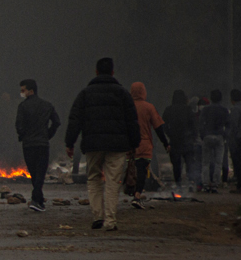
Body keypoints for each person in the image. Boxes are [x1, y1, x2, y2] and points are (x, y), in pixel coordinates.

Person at [64, 58, 140, 232]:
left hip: (93, 143)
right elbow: (132, 120)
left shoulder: (85, 94)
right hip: (118, 145)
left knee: (93, 178)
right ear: (113, 72)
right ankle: (110, 221)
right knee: (113, 182)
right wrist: (134, 143)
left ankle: (97, 216)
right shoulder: (122, 93)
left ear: (96, 72)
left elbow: (75, 119)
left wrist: (70, 143)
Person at [15, 79, 60, 212]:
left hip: (28, 145)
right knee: (40, 172)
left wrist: (23, 136)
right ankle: (38, 201)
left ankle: (36, 200)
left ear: (31, 91)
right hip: (42, 144)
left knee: (34, 173)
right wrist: (48, 135)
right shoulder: (47, 105)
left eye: (23, 90)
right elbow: (56, 122)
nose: (21, 93)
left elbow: (19, 126)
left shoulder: (23, 107)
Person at [128, 82, 169, 209]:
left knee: (130, 169)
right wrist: (165, 143)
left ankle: (131, 190)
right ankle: (137, 195)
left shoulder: (127, 107)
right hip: (144, 145)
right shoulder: (149, 107)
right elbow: (158, 127)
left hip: (129, 145)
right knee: (141, 171)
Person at [162, 90, 195, 188]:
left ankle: (178, 183)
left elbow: (163, 125)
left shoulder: (168, 110)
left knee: (176, 164)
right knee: (189, 162)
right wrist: (192, 136)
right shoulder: (188, 109)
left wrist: (169, 134)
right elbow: (193, 125)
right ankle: (190, 183)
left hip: (174, 140)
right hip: (187, 140)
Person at [199, 89, 229, 193]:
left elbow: (201, 123)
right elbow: (228, 124)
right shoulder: (224, 110)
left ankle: (206, 184)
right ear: (220, 98)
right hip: (219, 136)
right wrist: (224, 135)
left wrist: (202, 135)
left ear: (211, 98)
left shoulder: (206, 110)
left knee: (206, 162)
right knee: (218, 162)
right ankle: (215, 184)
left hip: (207, 136)